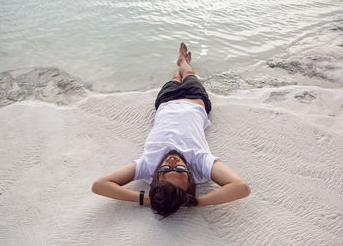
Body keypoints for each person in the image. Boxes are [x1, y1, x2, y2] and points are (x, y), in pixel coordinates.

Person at [92, 43, 251, 218]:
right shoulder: (200, 162)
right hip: (194, 99)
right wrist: (196, 202)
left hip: (166, 102)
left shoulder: (148, 165)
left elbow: (100, 185)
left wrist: (146, 199)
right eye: (181, 170)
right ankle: (185, 63)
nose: (173, 162)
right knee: (189, 74)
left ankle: (181, 63)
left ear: (156, 176)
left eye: (166, 169)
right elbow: (241, 187)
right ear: (190, 176)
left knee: (176, 78)